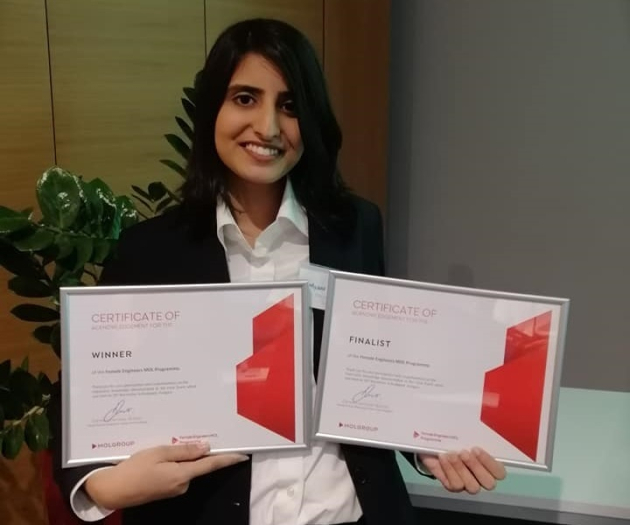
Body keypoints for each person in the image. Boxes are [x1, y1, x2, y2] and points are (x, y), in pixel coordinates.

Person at [51, 17, 506, 525]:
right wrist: (103, 485)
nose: (267, 128)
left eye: (289, 106)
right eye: (245, 98)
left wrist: (428, 443)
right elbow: (82, 393)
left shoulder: (354, 227)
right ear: (213, 108)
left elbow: (376, 368)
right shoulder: (151, 250)